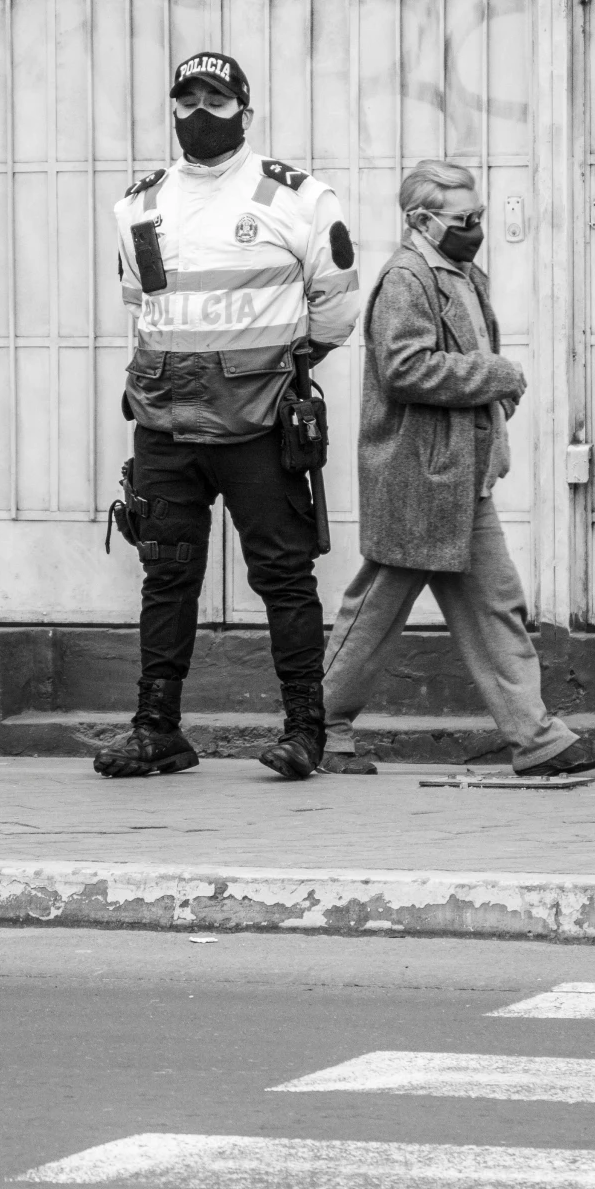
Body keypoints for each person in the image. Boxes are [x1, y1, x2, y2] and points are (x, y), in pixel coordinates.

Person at [94, 52, 362, 781]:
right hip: (166, 420)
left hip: (258, 419)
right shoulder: (139, 205)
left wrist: (281, 369)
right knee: (166, 574)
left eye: (215, 98)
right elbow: (140, 307)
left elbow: (336, 304)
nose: (198, 111)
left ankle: (306, 730)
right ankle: (157, 729)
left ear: (245, 112)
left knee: (283, 574)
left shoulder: (298, 199)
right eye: (186, 98)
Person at [316, 160, 595, 779]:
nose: (476, 228)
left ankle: (538, 742)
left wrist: (492, 400)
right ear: (420, 220)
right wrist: (498, 376)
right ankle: (316, 726)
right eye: (465, 219)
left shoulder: (456, 272)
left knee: (496, 606)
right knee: (375, 611)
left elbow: (457, 360)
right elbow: (404, 369)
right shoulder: (407, 278)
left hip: (457, 477)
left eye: (478, 216)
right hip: (420, 477)